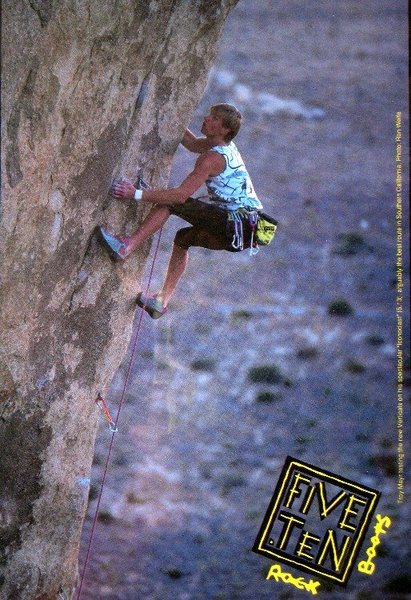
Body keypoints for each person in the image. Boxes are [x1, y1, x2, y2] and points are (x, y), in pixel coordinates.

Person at [98, 103, 264, 319]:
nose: (206, 118)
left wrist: (135, 194)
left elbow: (179, 196)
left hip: (235, 222)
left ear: (224, 129)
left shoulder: (212, 158)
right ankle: (161, 301)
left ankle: (126, 246)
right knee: (183, 238)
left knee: (171, 202)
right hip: (247, 232)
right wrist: (173, 113)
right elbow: (193, 144)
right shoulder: (221, 148)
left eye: (213, 118)